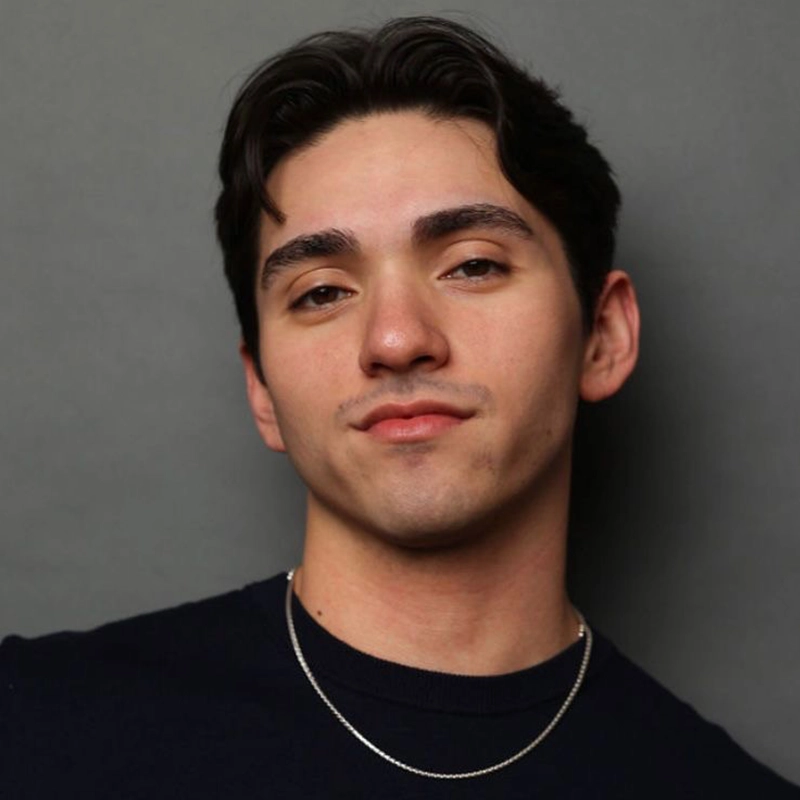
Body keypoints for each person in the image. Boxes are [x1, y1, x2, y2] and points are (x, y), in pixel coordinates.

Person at [1, 16, 797, 799]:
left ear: (603, 336)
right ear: (262, 392)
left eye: (473, 266)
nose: (394, 338)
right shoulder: (31, 729)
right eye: (321, 292)